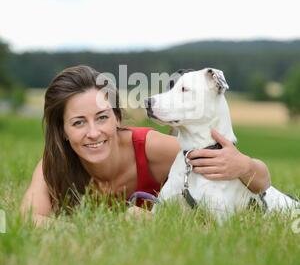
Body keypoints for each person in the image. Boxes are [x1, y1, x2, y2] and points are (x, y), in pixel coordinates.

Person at [21, 65, 271, 226]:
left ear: (117, 117)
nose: (93, 133)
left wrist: (244, 165)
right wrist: (101, 228)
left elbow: (262, 184)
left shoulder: (151, 148)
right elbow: (27, 218)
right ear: (62, 131)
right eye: (78, 123)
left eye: (102, 117)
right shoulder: (55, 165)